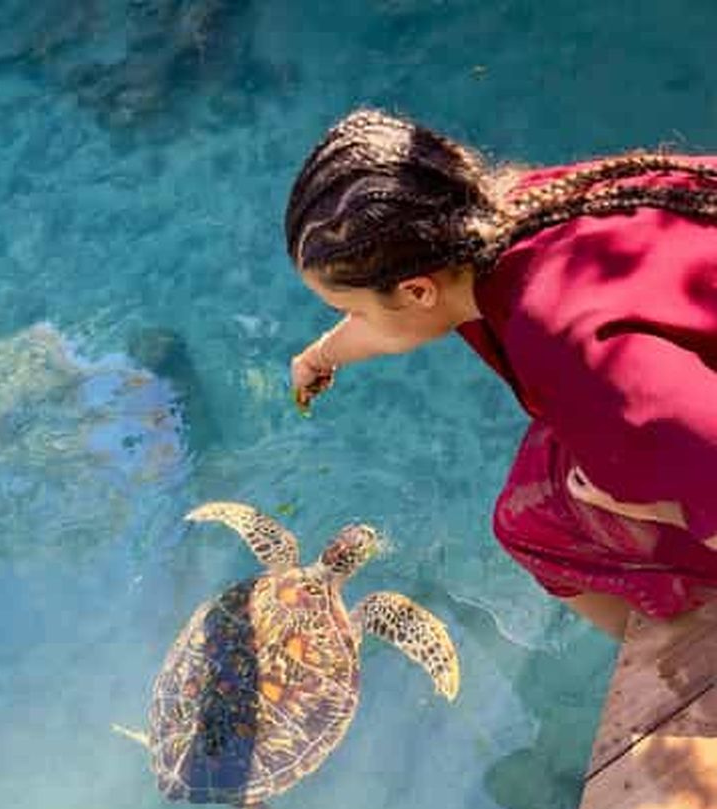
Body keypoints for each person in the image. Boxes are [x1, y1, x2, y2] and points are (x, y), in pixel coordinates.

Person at [284, 108, 717, 640]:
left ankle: (675, 663)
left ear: (418, 291)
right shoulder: (517, 215)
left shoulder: (582, 358)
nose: (354, 323)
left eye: (356, 309)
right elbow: (396, 324)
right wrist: (321, 358)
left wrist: (640, 502)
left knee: (535, 524)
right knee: (531, 508)